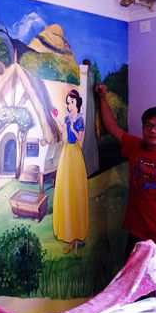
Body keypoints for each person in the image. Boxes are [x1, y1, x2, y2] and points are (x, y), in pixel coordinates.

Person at [95, 84, 156, 301]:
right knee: (135, 283)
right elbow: (112, 127)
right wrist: (102, 97)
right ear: (143, 129)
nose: (153, 130)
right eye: (148, 126)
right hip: (138, 234)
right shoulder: (135, 147)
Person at [52, 89, 89, 255]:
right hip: (67, 152)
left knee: (76, 193)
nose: (69, 105)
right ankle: (68, 238)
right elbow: (62, 131)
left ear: (77, 103)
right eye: (68, 103)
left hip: (75, 153)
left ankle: (76, 241)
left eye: (72, 102)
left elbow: (79, 138)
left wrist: (73, 127)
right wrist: (56, 118)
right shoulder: (67, 118)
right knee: (66, 191)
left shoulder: (80, 119)